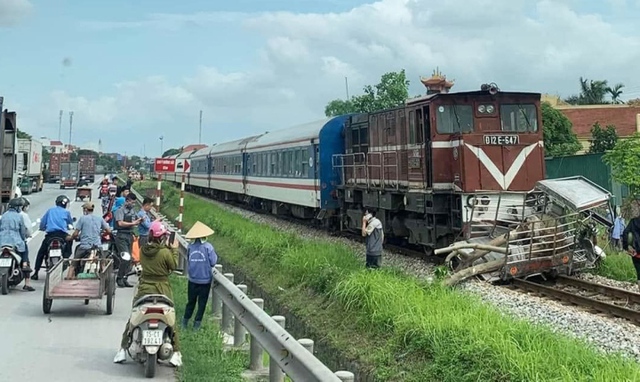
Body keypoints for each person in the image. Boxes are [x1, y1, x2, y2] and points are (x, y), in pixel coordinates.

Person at [113, 220, 182, 367]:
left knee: (133, 318)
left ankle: (122, 350)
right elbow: (173, 266)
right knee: (171, 320)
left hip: (144, 288)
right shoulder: (165, 252)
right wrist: (174, 249)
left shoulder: (143, 250)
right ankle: (176, 352)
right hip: (163, 288)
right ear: (162, 237)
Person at [181, 221, 217, 330]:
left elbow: (188, 259)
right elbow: (213, 262)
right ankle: (196, 325)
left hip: (192, 280)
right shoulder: (208, 247)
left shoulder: (190, 247)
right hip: (205, 281)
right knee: (202, 304)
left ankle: (184, 323)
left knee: (190, 302)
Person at [32, 195, 74, 280]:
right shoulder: (66, 212)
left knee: (41, 252)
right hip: (62, 235)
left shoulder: (50, 211)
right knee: (70, 241)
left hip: (50, 235)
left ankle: (36, 272)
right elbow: (70, 223)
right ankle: (66, 257)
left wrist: (42, 228)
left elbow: (43, 223)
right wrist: (70, 226)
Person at [67, 202, 112, 279]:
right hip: (97, 246)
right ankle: (105, 279)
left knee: (73, 264)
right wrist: (101, 235)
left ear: (85, 210)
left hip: (85, 246)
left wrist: (72, 238)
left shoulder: (82, 218)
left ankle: (69, 277)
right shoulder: (99, 219)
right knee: (103, 263)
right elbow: (108, 231)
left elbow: (76, 233)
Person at [0, 198, 34, 291]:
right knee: (25, 250)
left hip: (2, 241)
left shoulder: (4, 216)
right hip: (15, 242)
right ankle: (24, 265)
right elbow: (23, 231)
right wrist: (23, 238)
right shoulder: (19, 216)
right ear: (18, 207)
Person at [114, 193, 142, 287]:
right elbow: (120, 223)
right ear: (127, 201)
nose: (133, 204)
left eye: (134, 203)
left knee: (130, 260)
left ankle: (125, 278)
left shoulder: (133, 211)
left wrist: (140, 220)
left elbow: (136, 219)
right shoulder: (120, 211)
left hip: (130, 235)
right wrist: (132, 223)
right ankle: (119, 277)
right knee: (125, 258)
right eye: (132, 202)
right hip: (121, 236)